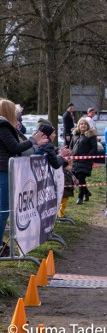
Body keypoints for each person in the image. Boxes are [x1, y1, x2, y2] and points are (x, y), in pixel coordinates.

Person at [0, 99, 48, 255]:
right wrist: (33, 140)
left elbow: (19, 150)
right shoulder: (3, 126)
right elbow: (15, 147)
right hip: (3, 171)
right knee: (3, 210)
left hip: (5, 170)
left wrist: (34, 144)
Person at [70, 118, 98, 205]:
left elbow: (94, 148)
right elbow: (71, 146)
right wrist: (70, 154)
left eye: (85, 124)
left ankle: (80, 197)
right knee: (76, 178)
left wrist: (87, 157)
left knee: (81, 178)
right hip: (75, 161)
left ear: (88, 126)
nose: (83, 125)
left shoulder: (91, 136)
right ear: (78, 125)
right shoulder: (75, 135)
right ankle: (86, 192)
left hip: (85, 161)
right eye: (81, 124)